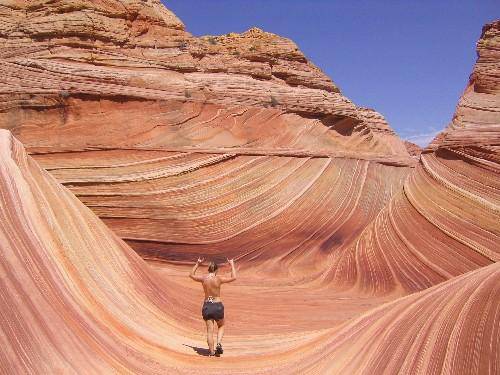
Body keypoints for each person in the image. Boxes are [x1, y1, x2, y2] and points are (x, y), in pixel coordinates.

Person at [189, 257, 237, 357]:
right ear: (216, 270)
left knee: (209, 331)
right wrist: (231, 264)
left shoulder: (203, 278)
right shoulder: (218, 279)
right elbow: (234, 277)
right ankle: (218, 343)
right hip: (217, 305)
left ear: (209, 269)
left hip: (207, 306)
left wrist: (197, 263)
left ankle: (211, 352)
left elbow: (191, 275)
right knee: (221, 326)